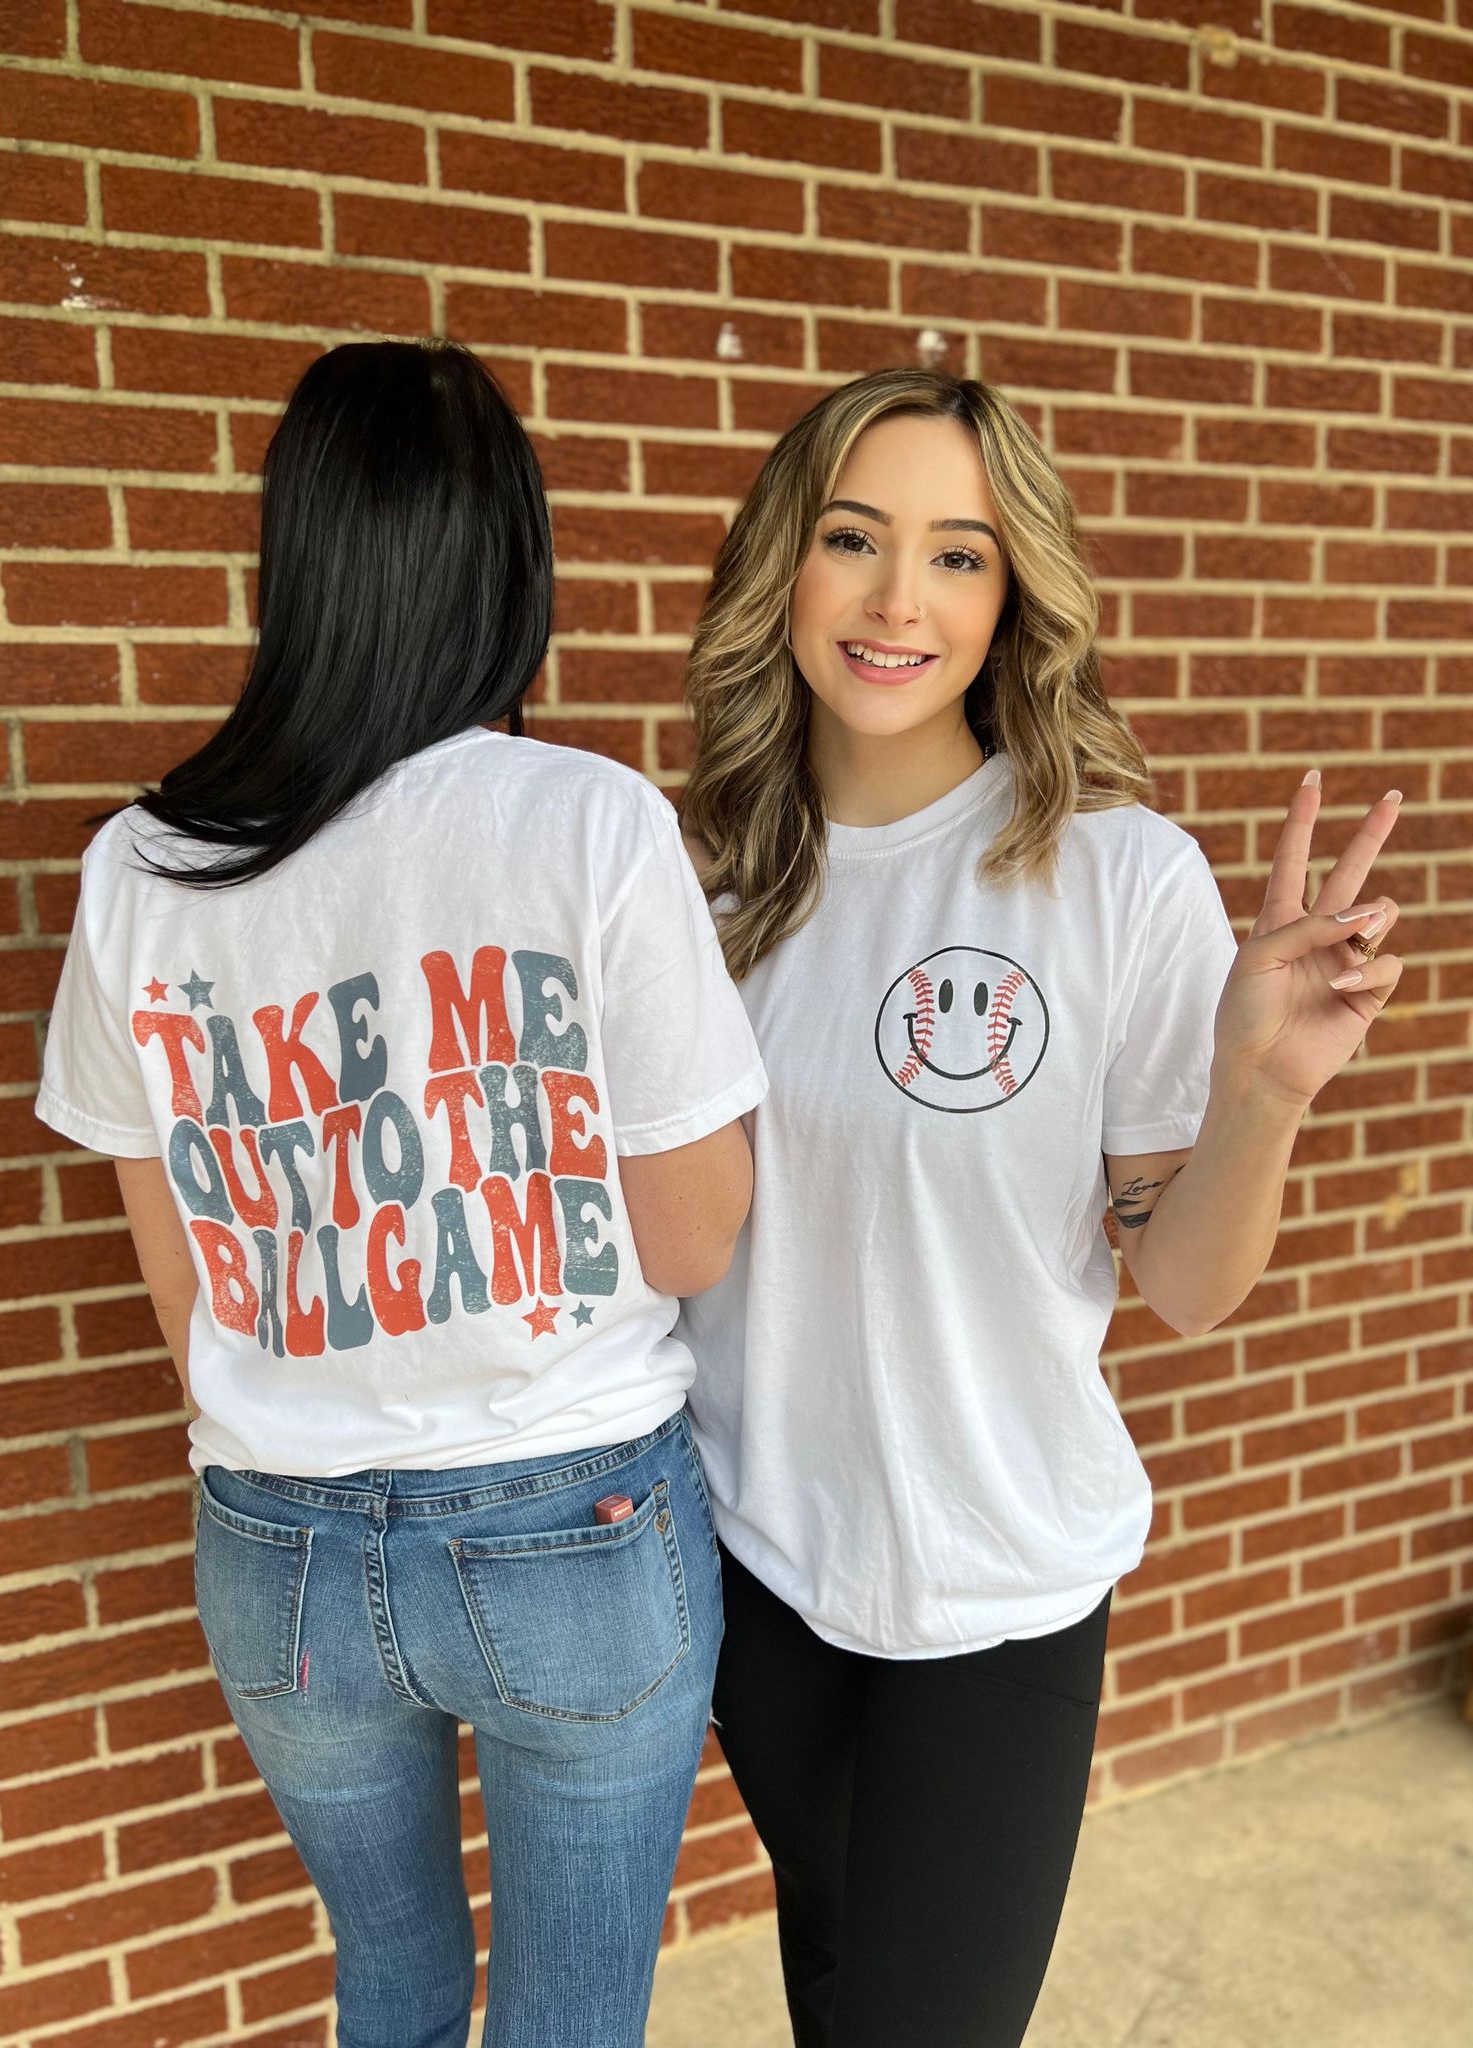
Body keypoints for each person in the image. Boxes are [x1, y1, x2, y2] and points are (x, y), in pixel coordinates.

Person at [33, 339, 767, 2048]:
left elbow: (187, 1285)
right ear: (510, 565)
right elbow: (690, 1234)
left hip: (278, 1537)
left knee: (394, 1985)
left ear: (294, 562)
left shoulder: (145, 860)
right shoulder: (585, 822)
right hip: (571, 1518)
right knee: (572, 2017)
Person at [676, 368, 1403, 2048]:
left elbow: (1186, 1289)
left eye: (959, 556)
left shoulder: (1108, 871)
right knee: (837, 1994)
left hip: (995, 1588)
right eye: (853, 539)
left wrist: (1263, 1097)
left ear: (1014, 602)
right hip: (757, 1584)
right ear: (784, 564)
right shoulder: (706, 886)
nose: (895, 600)